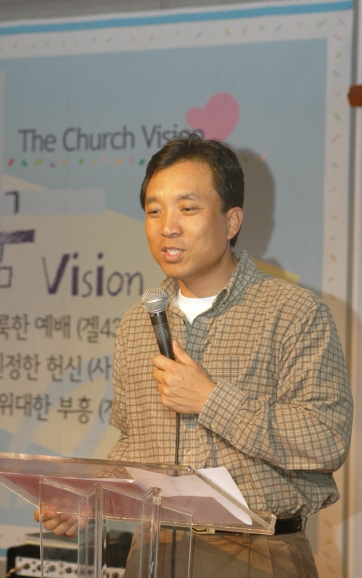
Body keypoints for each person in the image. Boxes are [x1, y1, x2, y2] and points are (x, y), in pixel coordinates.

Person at [39, 134, 353, 577]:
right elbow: (134, 442)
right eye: (154, 211)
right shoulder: (136, 323)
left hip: (258, 552)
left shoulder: (293, 312)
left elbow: (326, 439)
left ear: (231, 221)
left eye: (187, 209)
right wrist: (90, 497)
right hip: (154, 549)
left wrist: (211, 400)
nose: (167, 227)